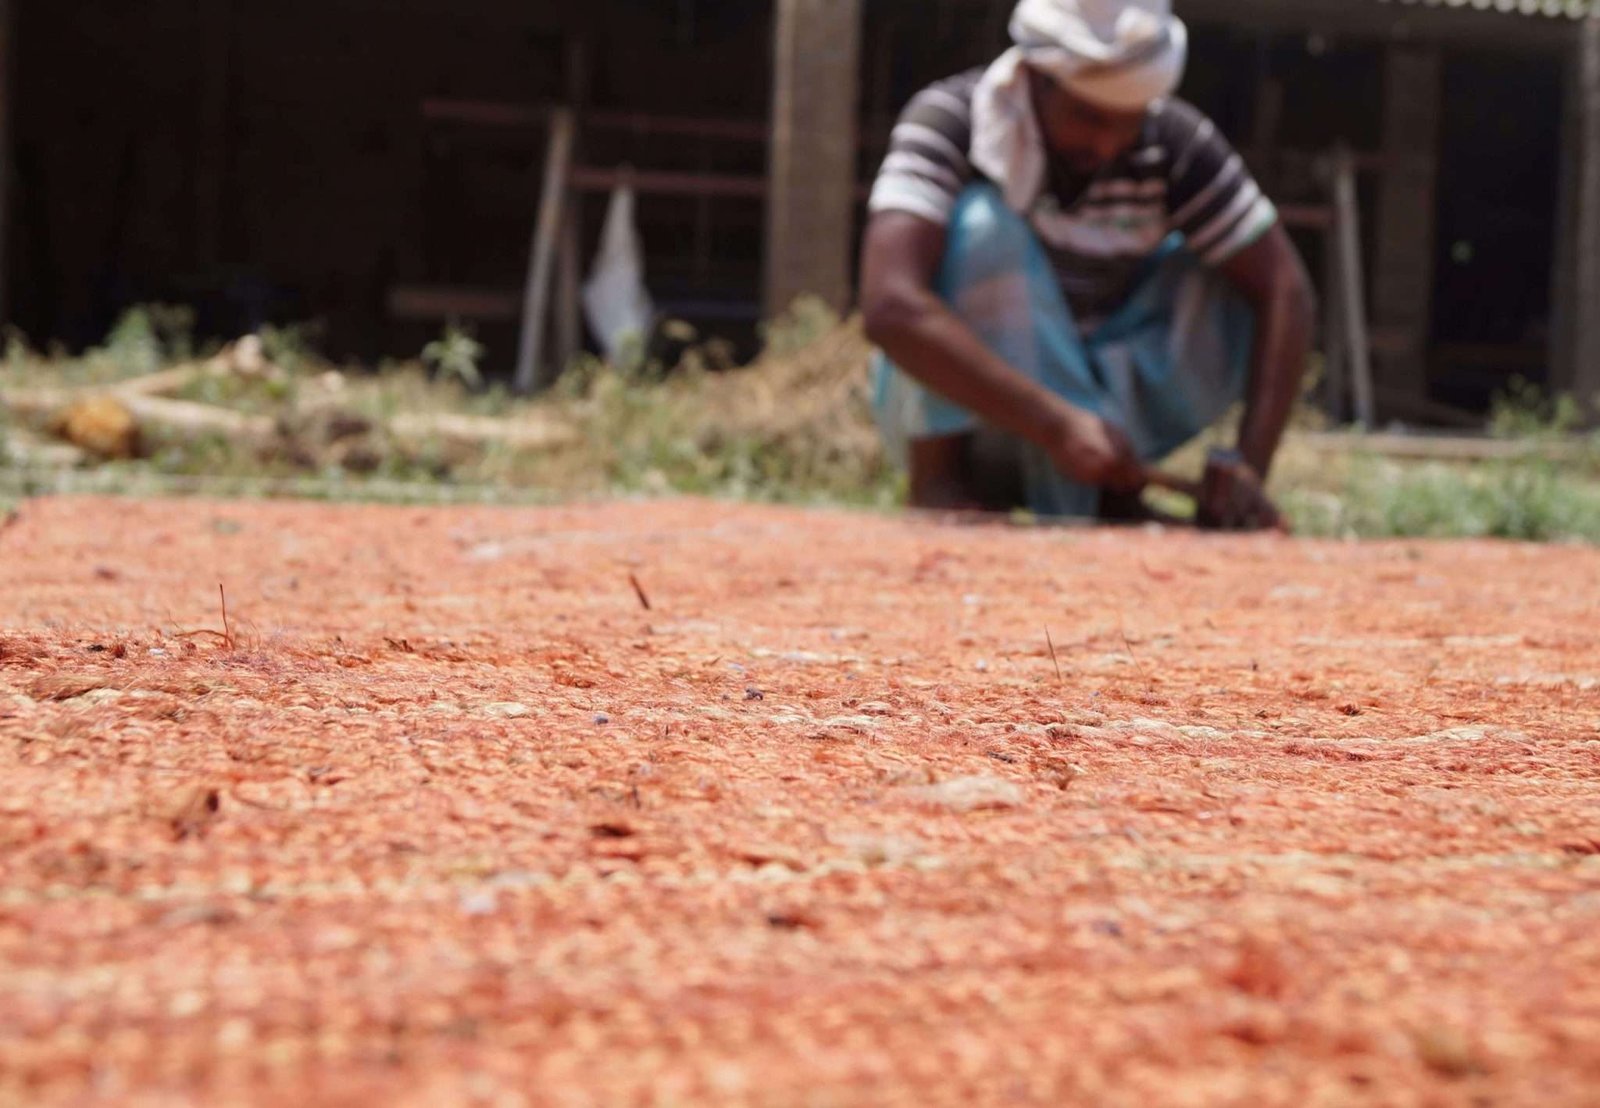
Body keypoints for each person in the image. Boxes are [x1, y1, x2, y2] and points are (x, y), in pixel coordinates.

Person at [860, 0, 1314, 531]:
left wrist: (1249, 468)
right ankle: (942, 481)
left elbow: (1287, 289)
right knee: (981, 226)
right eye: (1088, 116)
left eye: (1127, 122)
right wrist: (1055, 424)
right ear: (1034, 77)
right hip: (987, 421)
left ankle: (1103, 495)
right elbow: (890, 306)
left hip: (1097, 436)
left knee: (1228, 282)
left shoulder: (1173, 141)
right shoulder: (953, 118)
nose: (1107, 143)